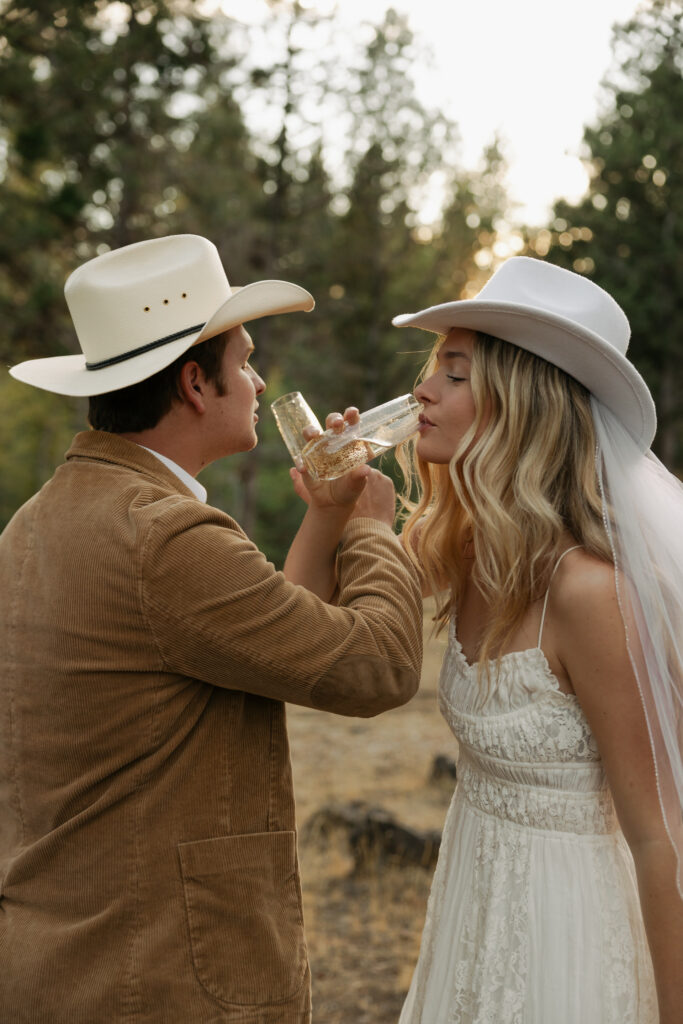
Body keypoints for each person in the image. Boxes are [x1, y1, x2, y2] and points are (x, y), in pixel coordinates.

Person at [0, 233, 423, 1023]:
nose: (260, 382)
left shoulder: (39, 522)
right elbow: (379, 668)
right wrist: (372, 525)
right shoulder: (164, 538)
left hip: (60, 963)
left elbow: (264, 646)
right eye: (247, 361)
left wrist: (326, 520)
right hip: (156, 978)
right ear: (196, 383)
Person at [387, 256, 682, 1024]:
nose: (421, 390)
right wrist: (330, 507)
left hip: (568, 935)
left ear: (521, 405)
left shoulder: (589, 592)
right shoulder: (463, 548)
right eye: (433, 370)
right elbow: (315, 631)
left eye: (452, 374)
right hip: (470, 908)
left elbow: (660, 839)